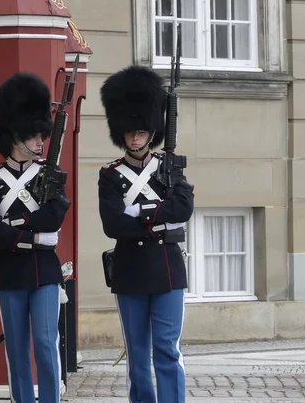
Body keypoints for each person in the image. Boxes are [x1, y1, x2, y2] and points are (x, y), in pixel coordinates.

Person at [98, 65, 195, 403]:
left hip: (167, 269)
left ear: (150, 130)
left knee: (167, 350)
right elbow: (112, 224)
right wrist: (157, 217)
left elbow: (182, 209)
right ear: (121, 133)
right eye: (130, 132)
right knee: (138, 355)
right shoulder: (110, 175)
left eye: (141, 131)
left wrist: (138, 213)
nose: (136, 137)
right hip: (130, 272)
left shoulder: (171, 168)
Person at [0, 72, 70, 403]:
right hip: (9, 272)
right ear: (16, 137)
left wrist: (13, 225)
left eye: (41, 136)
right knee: (16, 349)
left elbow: (54, 217)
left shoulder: (50, 175)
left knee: (46, 342)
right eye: (33, 137)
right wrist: (30, 235)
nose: (40, 142)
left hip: (44, 270)